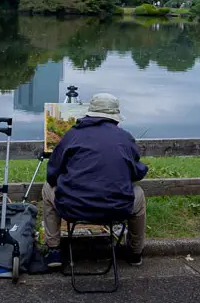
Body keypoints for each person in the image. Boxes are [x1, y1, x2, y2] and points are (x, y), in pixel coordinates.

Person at [41, 93, 148, 268]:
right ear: (114, 116)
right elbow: (136, 172)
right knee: (139, 195)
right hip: (116, 208)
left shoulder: (72, 135)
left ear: (89, 113)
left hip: (72, 208)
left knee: (47, 188)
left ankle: (54, 251)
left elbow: (52, 173)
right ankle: (135, 253)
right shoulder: (125, 138)